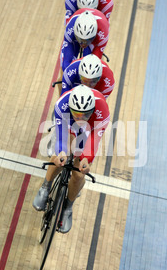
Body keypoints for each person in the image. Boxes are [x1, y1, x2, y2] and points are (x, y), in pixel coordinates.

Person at [33, 85, 110, 233]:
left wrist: (86, 159)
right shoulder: (62, 105)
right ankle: (45, 187)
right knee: (62, 156)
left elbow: (93, 140)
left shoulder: (102, 111)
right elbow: (61, 137)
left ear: (92, 109)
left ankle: (68, 208)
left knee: (79, 173)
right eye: (77, 113)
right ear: (71, 107)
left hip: (90, 128)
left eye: (84, 114)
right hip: (67, 124)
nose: (80, 117)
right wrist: (61, 152)